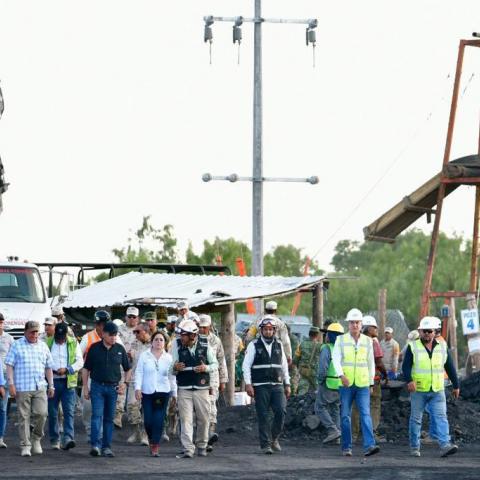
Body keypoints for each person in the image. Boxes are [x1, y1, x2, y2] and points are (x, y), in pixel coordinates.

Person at [402, 316, 459, 458]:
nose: (426, 333)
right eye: (424, 331)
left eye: (429, 331)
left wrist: (456, 385)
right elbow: (406, 366)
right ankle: (415, 447)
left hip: (437, 389)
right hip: (419, 390)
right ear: (420, 332)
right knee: (416, 419)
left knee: (441, 416)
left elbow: (450, 366)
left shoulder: (442, 347)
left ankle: (445, 445)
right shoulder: (413, 346)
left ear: (435, 332)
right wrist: (409, 380)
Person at [332, 308, 379, 457]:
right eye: (352, 322)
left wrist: (371, 383)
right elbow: (336, 359)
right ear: (348, 324)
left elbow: (370, 362)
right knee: (345, 415)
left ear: (361, 324)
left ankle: (370, 446)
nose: (354, 325)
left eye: (357, 322)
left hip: (363, 383)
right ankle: (347, 446)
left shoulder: (368, 341)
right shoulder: (341, 340)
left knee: (365, 414)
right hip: (346, 384)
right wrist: (341, 375)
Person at [5, 321, 55, 457]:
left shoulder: (43, 345)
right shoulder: (17, 345)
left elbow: (48, 367)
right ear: (25, 332)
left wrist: (51, 385)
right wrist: (11, 384)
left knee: (42, 413)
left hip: (40, 386)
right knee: (23, 416)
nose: (35, 334)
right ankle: (25, 445)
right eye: (32, 332)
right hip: (22, 386)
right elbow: (9, 365)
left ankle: (36, 438)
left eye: (37, 332)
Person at [82, 321, 131, 457]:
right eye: (111, 335)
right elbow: (86, 369)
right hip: (97, 386)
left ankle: (106, 447)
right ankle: (95, 445)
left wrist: (125, 383)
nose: (114, 337)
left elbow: (128, 368)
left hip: (113, 388)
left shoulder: (120, 349)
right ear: (103, 334)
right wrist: (85, 387)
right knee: (97, 415)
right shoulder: (94, 348)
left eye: (115, 335)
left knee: (109, 419)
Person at [243, 316, 290, 454]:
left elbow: (284, 366)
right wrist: (248, 384)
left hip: (277, 385)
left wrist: (287, 383)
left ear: (274, 331)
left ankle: (274, 438)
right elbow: (246, 366)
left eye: (271, 329)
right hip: (260, 385)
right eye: (266, 329)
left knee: (281, 411)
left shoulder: (279, 345)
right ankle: (265, 445)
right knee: (263, 415)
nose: (268, 332)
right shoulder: (254, 345)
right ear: (261, 330)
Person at [172, 319, 218, 458]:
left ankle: (202, 445)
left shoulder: (205, 345)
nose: (181, 337)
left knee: (204, 419)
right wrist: (175, 367)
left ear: (192, 335)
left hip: (201, 388)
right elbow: (171, 366)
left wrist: (206, 368)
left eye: (184, 335)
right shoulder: (176, 345)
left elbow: (215, 364)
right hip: (184, 388)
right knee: (185, 420)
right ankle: (188, 449)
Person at [135, 330, 177, 456]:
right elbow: (139, 372)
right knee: (148, 420)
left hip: (163, 392)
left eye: (161, 340)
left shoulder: (169, 358)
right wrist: (138, 388)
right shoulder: (144, 355)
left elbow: (172, 377)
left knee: (159, 419)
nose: (158, 342)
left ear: (165, 343)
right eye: (156, 339)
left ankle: (155, 445)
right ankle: (151, 438)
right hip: (147, 392)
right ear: (152, 342)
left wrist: (174, 393)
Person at [46, 323, 83, 450]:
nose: (60, 339)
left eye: (62, 336)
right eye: (58, 336)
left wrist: (68, 369)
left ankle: (68, 438)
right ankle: (54, 439)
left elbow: (80, 361)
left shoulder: (73, 342)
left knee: (68, 412)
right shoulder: (48, 342)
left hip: (68, 381)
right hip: (53, 381)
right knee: (52, 412)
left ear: (66, 334)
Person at [352, 315, 387, 441]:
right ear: (368, 328)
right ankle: (371, 433)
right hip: (372, 380)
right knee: (374, 405)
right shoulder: (373, 342)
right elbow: (378, 362)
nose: (377, 329)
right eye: (374, 327)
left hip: (357, 379)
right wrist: (385, 374)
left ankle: (354, 435)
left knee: (356, 406)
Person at [198, 314, 228, 451]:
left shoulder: (216, 340)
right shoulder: (195, 338)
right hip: (198, 377)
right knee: (199, 409)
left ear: (210, 326)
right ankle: (200, 437)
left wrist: (223, 380)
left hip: (213, 377)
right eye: (200, 327)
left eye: (205, 327)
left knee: (211, 407)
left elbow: (221, 360)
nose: (202, 329)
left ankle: (209, 436)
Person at [79, 310, 110, 436]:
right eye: (99, 324)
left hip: (107, 377)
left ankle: (99, 434)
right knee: (87, 406)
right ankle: (89, 430)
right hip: (90, 376)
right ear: (96, 324)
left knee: (103, 407)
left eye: (104, 324)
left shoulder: (114, 336)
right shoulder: (88, 337)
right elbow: (79, 356)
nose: (102, 327)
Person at [315, 322, 344, 444]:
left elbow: (323, 368)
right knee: (335, 409)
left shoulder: (327, 348)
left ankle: (333, 431)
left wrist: (320, 381)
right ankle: (337, 436)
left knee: (319, 407)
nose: (325, 335)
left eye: (327, 333)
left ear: (330, 336)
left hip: (328, 383)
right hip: (340, 384)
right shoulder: (343, 349)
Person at [245, 302, 292, 366]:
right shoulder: (281, 323)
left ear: (265, 310)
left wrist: (248, 351)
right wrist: (288, 356)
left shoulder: (258, 322)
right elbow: (286, 342)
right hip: (276, 353)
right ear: (276, 311)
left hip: (260, 353)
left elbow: (249, 337)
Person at [126, 323, 151, 445]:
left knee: (146, 409)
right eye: (134, 332)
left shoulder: (154, 343)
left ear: (145, 332)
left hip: (149, 380)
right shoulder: (134, 343)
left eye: (138, 332)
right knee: (131, 406)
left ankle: (145, 434)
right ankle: (136, 432)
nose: (135, 334)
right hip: (135, 379)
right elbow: (129, 363)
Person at [116, 306, 140, 429]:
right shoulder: (119, 329)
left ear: (138, 318)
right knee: (120, 390)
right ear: (125, 317)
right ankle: (118, 417)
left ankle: (134, 423)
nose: (131, 319)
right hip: (121, 365)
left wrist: (134, 353)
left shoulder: (141, 330)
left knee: (134, 397)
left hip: (136, 366)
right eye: (129, 316)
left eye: (133, 317)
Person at [294, 326, 322, 395]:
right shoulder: (321, 346)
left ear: (309, 334)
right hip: (315, 372)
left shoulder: (301, 344)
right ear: (317, 335)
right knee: (318, 391)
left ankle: (301, 403)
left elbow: (295, 359)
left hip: (304, 371)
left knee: (302, 390)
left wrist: (299, 366)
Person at [0, 313, 13, 448]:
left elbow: (14, 357)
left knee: (3, 408)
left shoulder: (9, 338)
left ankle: (1, 437)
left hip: (5, 374)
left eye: (1, 322)